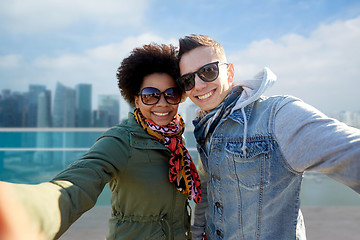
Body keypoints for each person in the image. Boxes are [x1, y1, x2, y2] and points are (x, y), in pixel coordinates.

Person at [0, 43, 201, 240]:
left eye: (171, 94)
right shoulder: (121, 140)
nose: (162, 103)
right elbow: (76, 184)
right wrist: (20, 211)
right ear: (136, 99)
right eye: (150, 95)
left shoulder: (175, 139)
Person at [176, 34, 360, 240]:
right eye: (188, 80)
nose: (198, 85)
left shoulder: (276, 116)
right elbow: (208, 190)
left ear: (229, 72)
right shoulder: (206, 127)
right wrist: (197, 231)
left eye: (208, 71)